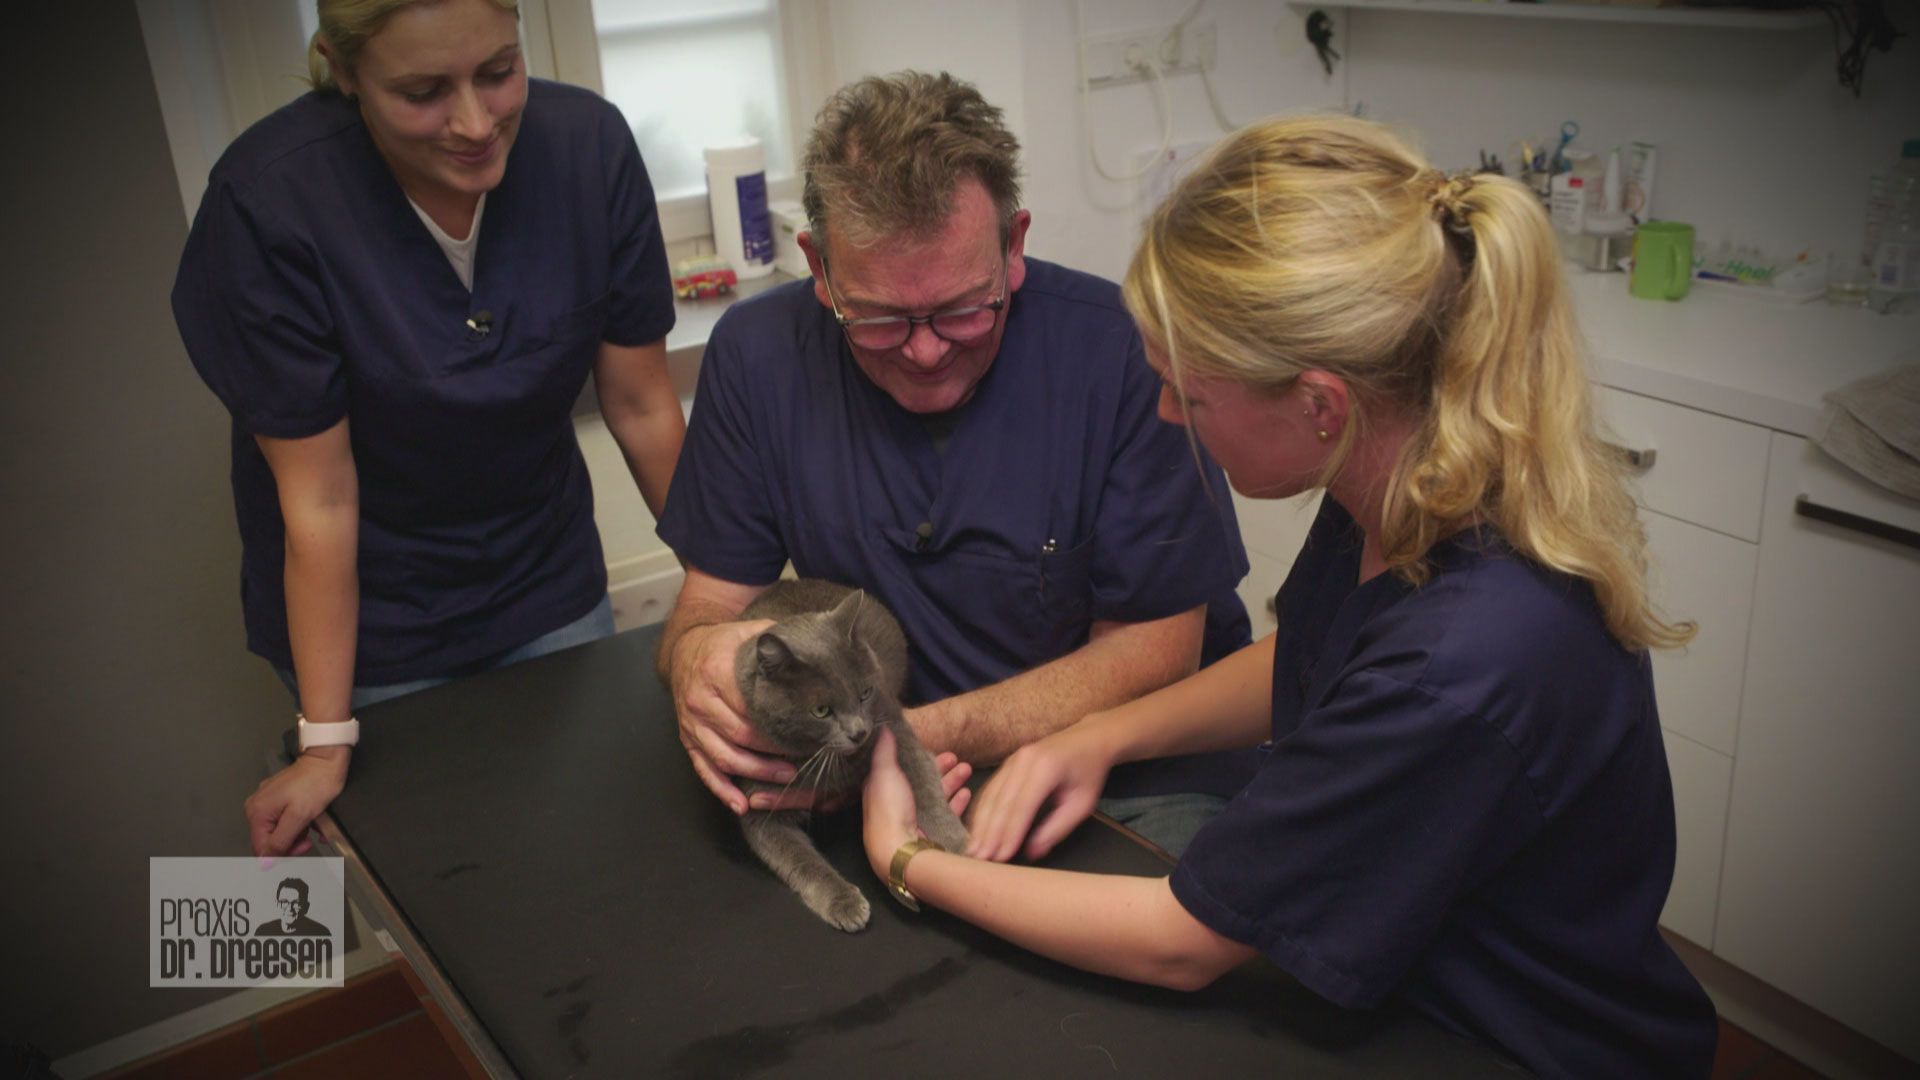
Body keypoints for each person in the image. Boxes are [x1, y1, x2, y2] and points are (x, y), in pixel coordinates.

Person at [858, 114, 1719, 1077]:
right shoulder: (1410, 476)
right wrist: (1093, 735)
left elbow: (1179, 941)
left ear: (1319, 404)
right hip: (1402, 979)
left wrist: (911, 861)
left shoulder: (1470, 656)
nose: (1165, 413)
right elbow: (1320, 651)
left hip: (1513, 1044)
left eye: (1190, 390)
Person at [656, 71, 1253, 853]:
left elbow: (1157, 650)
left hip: (1129, 777)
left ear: (1014, 246)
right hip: (879, 772)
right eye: (877, 319)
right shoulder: (758, 357)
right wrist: (698, 658)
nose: (928, 349)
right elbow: (709, 609)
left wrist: (893, 740)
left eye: (964, 310)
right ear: (818, 265)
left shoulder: (1124, 355)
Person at [172, 0, 683, 859]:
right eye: (422, 92)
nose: (476, 123)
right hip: (377, 624)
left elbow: (642, 406)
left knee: (589, 844)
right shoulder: (267, 203)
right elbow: (323, 501)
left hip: (547, 577)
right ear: (344, 71)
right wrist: (326, 740)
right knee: (450, 869)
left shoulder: (586, 149)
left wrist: (728, 593)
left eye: (497, 71)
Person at [253, 879, 331, 937]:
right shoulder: (263, 932)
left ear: (306, 907)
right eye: (284, 902)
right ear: (277, 904)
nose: (290, 908)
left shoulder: (321, 933)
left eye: (296, 903)